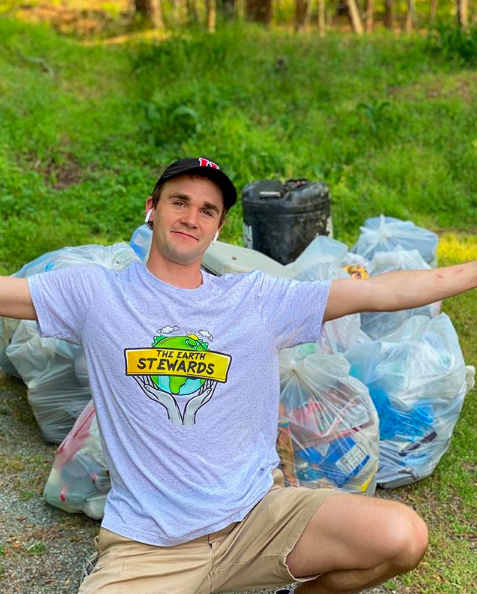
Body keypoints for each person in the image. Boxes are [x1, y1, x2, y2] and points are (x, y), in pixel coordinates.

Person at [0, 157, 475, 594]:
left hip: (257, 520)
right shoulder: (95, 293)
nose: (191, 217)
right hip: (148, 548)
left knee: (403, 535)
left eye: (207, 210)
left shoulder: (256, 300)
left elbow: (378, 293)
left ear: (218, 227)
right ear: (152, 209)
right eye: (179, 202)